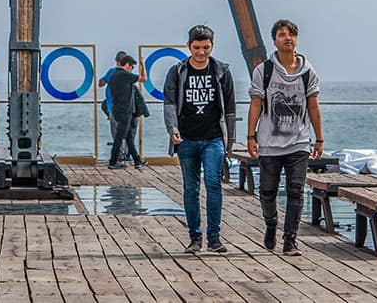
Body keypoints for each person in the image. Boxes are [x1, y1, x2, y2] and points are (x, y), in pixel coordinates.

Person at [246, 19, 324, 257]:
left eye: (291, 34)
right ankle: (271, 223)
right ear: (275, 40)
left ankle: (290, 239)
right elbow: (256, 104)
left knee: (295, 191)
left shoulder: (308, 72)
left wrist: (319, 139)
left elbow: (313, 106)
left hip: (299, 142)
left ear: (296, 39)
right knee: (267, 192)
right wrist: (251, 136)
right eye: (282, 34)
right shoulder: (264, 71)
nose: (287, 38)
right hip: (269, 142)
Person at [163, 25, 236, 254]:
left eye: (206, 47)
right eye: (197, 48)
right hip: (186, 139)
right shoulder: (177, 72)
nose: (201, 52)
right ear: (189, 46)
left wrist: (230, 140)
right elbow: (169, 103)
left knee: (213, 183)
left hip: (213, 137)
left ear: (212, 46)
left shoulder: (222, 72)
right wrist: (172, 128)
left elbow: (231, 108)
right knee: (190, 188)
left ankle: (214, 237)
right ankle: (195, 237)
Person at [107, 54, 148, 170]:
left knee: (129, 136)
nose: (132, 69)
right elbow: (144, 78)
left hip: (118, 109)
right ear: (127, 65)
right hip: (125, 110)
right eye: (132, 67)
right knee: (120, 136)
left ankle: (137, 161)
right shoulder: (124, 74)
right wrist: (143, 65)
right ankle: (113, 161)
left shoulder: (114, 75)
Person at [99, 51, 129, 161]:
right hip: (126, 108)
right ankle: (125, 154)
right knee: (125, 133)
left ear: (117, 61)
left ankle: (120, 157)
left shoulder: (113, 72)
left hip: (114, 108)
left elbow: (101, 83)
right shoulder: (128, 74)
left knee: (116, 133)